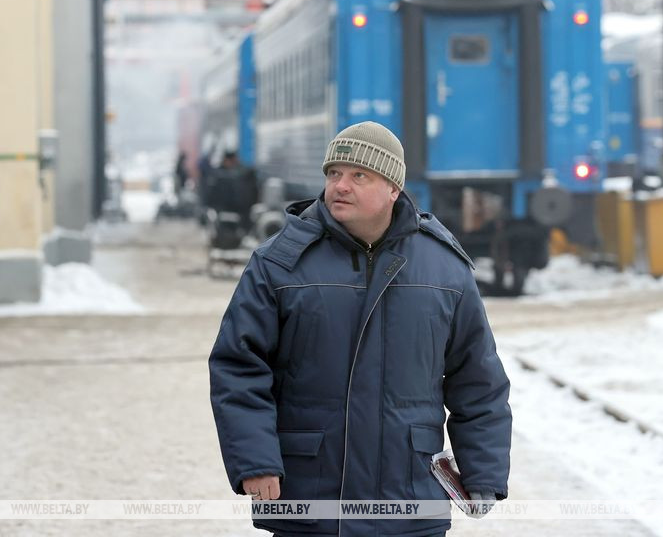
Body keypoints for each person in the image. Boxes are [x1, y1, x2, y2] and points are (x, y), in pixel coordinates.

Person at [209, 121, 512, 537]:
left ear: (393, 188)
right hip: (311, 499)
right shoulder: (278, 263)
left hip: (408, 501)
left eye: (358, 175)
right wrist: (255, 460)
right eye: (333, 173)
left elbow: (477, 378)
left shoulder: (445, 268)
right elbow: (238, 366)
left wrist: (483, 471)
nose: (340, 186)